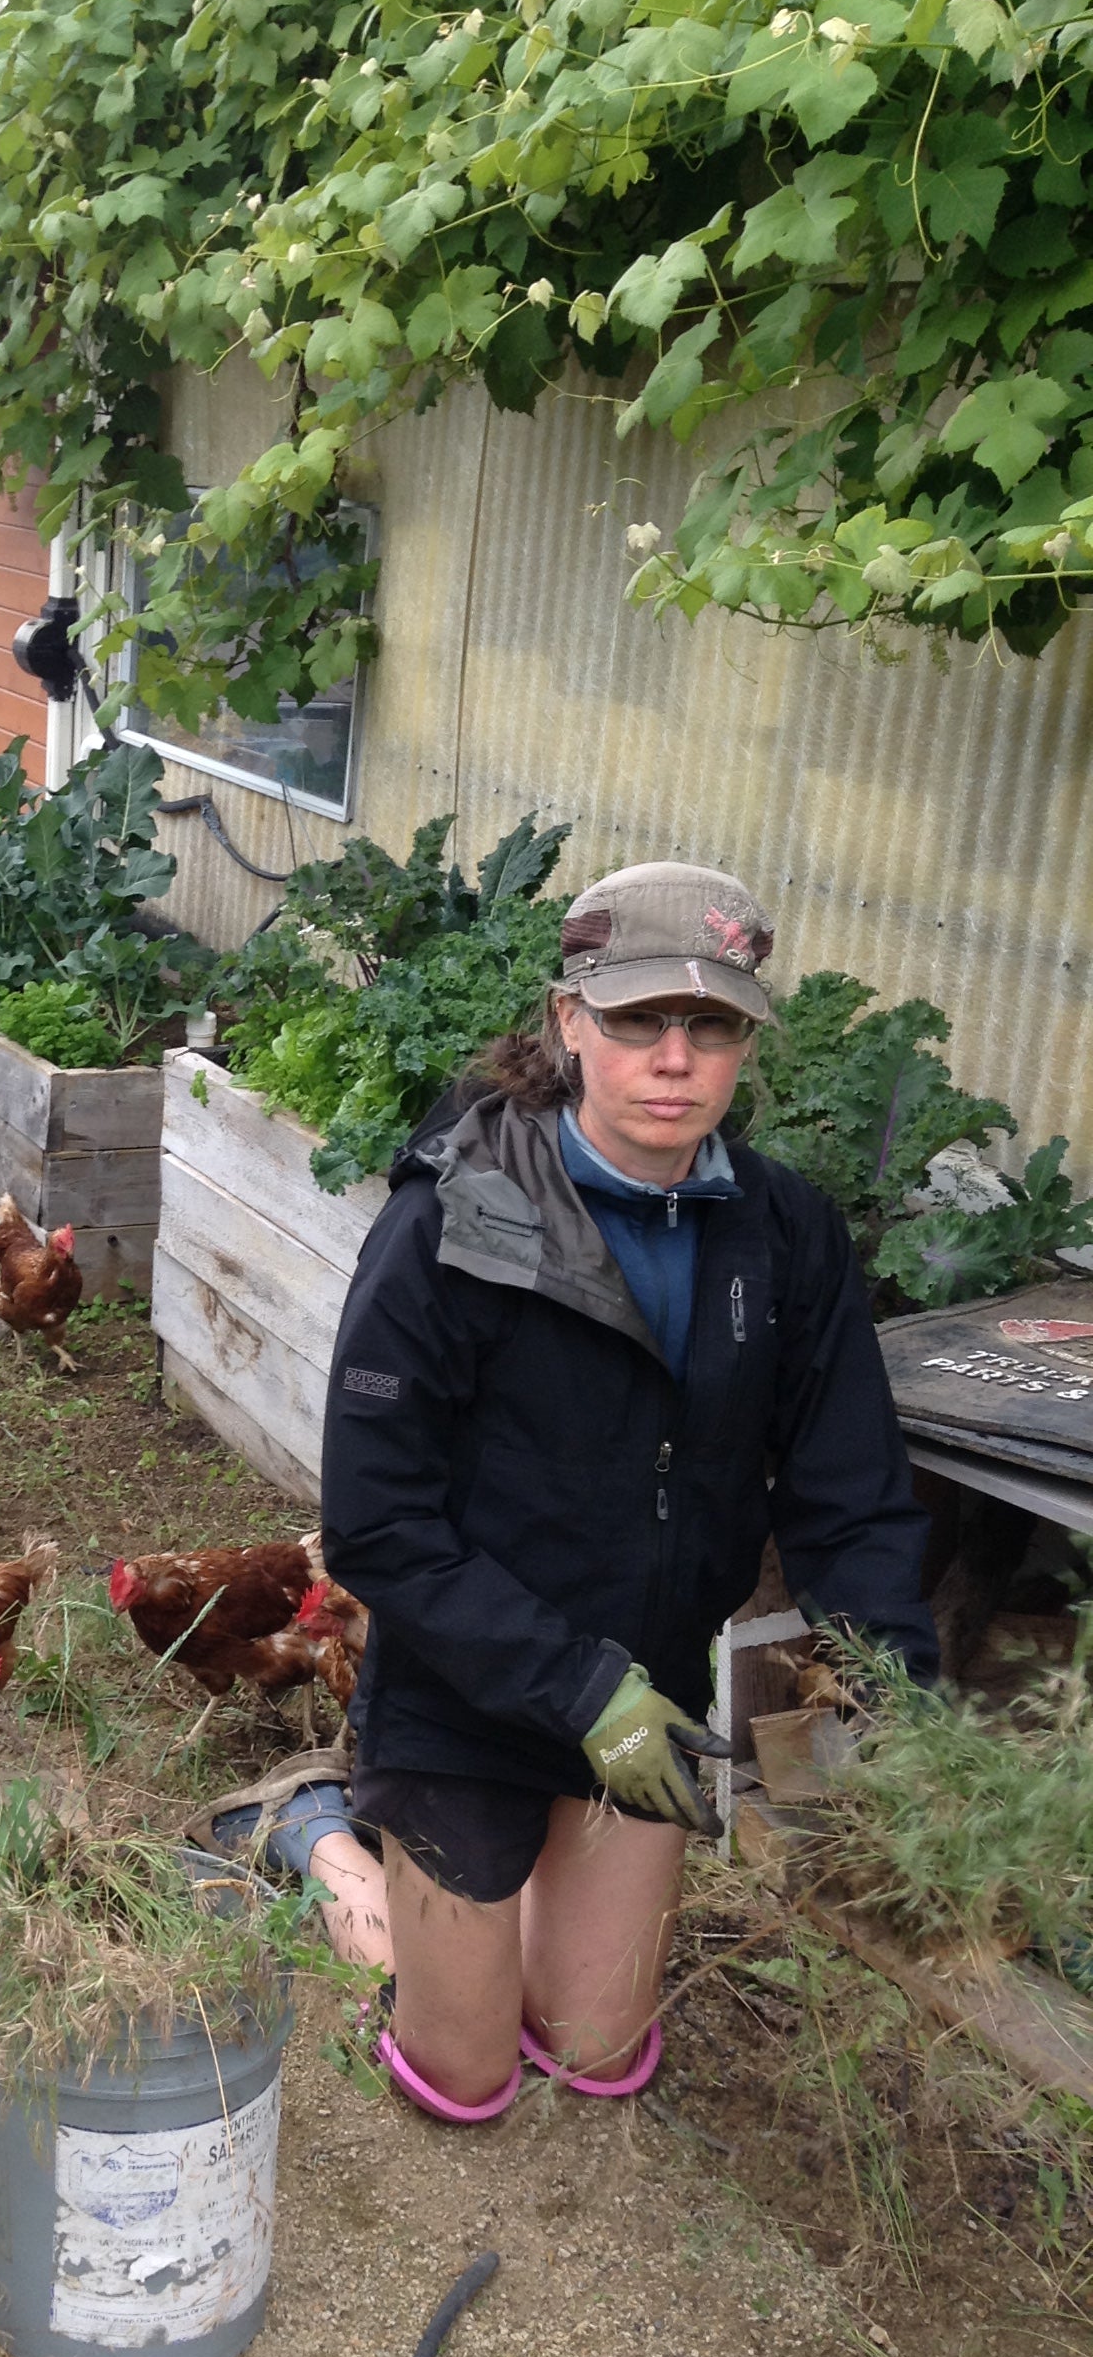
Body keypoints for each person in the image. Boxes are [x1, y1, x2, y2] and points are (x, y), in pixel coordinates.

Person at [293, 859, 941, 2122]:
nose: (674, 1058)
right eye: (639, 1020)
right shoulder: (453, 1224)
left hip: (647, 1685)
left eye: (712, 1027)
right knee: (465, 2076)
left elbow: (847, 1486)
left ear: (746, 1043)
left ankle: (502, 1902)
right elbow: (374, 1522)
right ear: (571, 1020)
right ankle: (318, 1835)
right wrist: (572, 1688)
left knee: (593, 2053)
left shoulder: (783, 1233)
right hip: (465, 1688)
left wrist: (895, 1686)